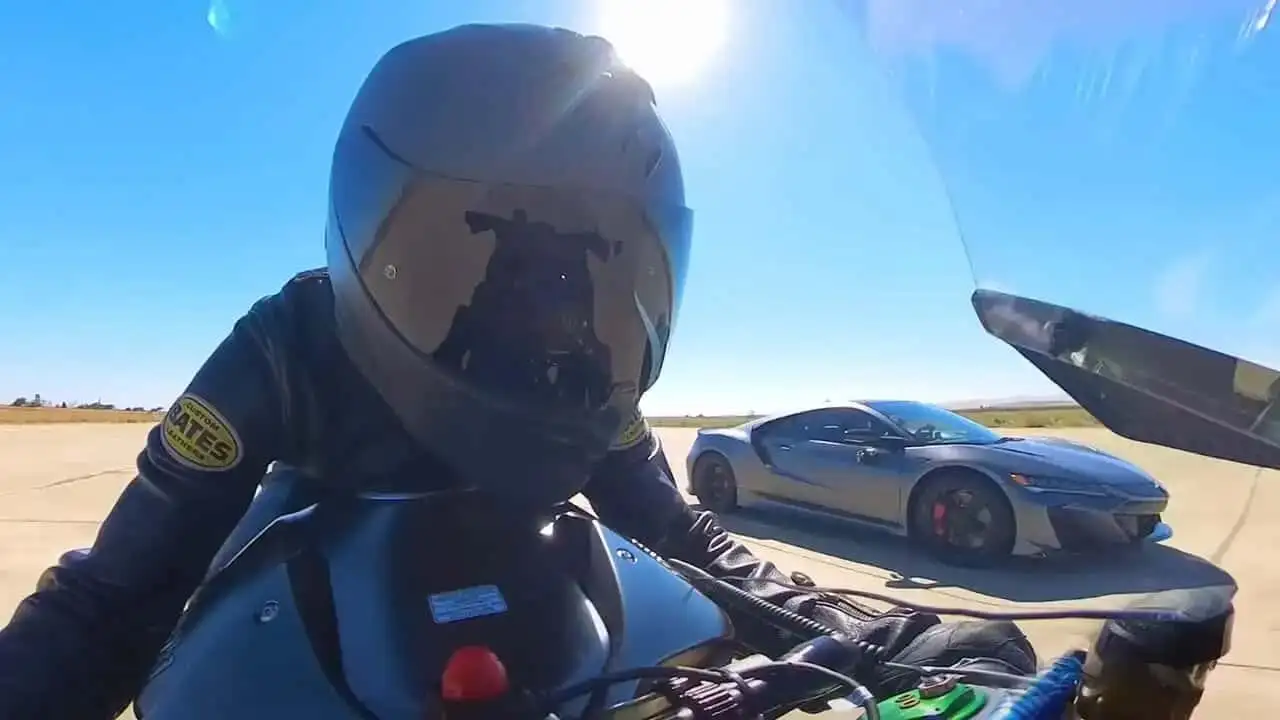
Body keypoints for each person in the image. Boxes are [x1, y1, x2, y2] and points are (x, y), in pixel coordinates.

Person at [0, 23, 1035, 719]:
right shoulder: (288, 344)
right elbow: (116, 594)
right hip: (306, 627)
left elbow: (684, 537)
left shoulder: (584, 385)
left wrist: (868, 633)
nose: (552, 318)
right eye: (500, 269)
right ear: (373, 247)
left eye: (589, 276)